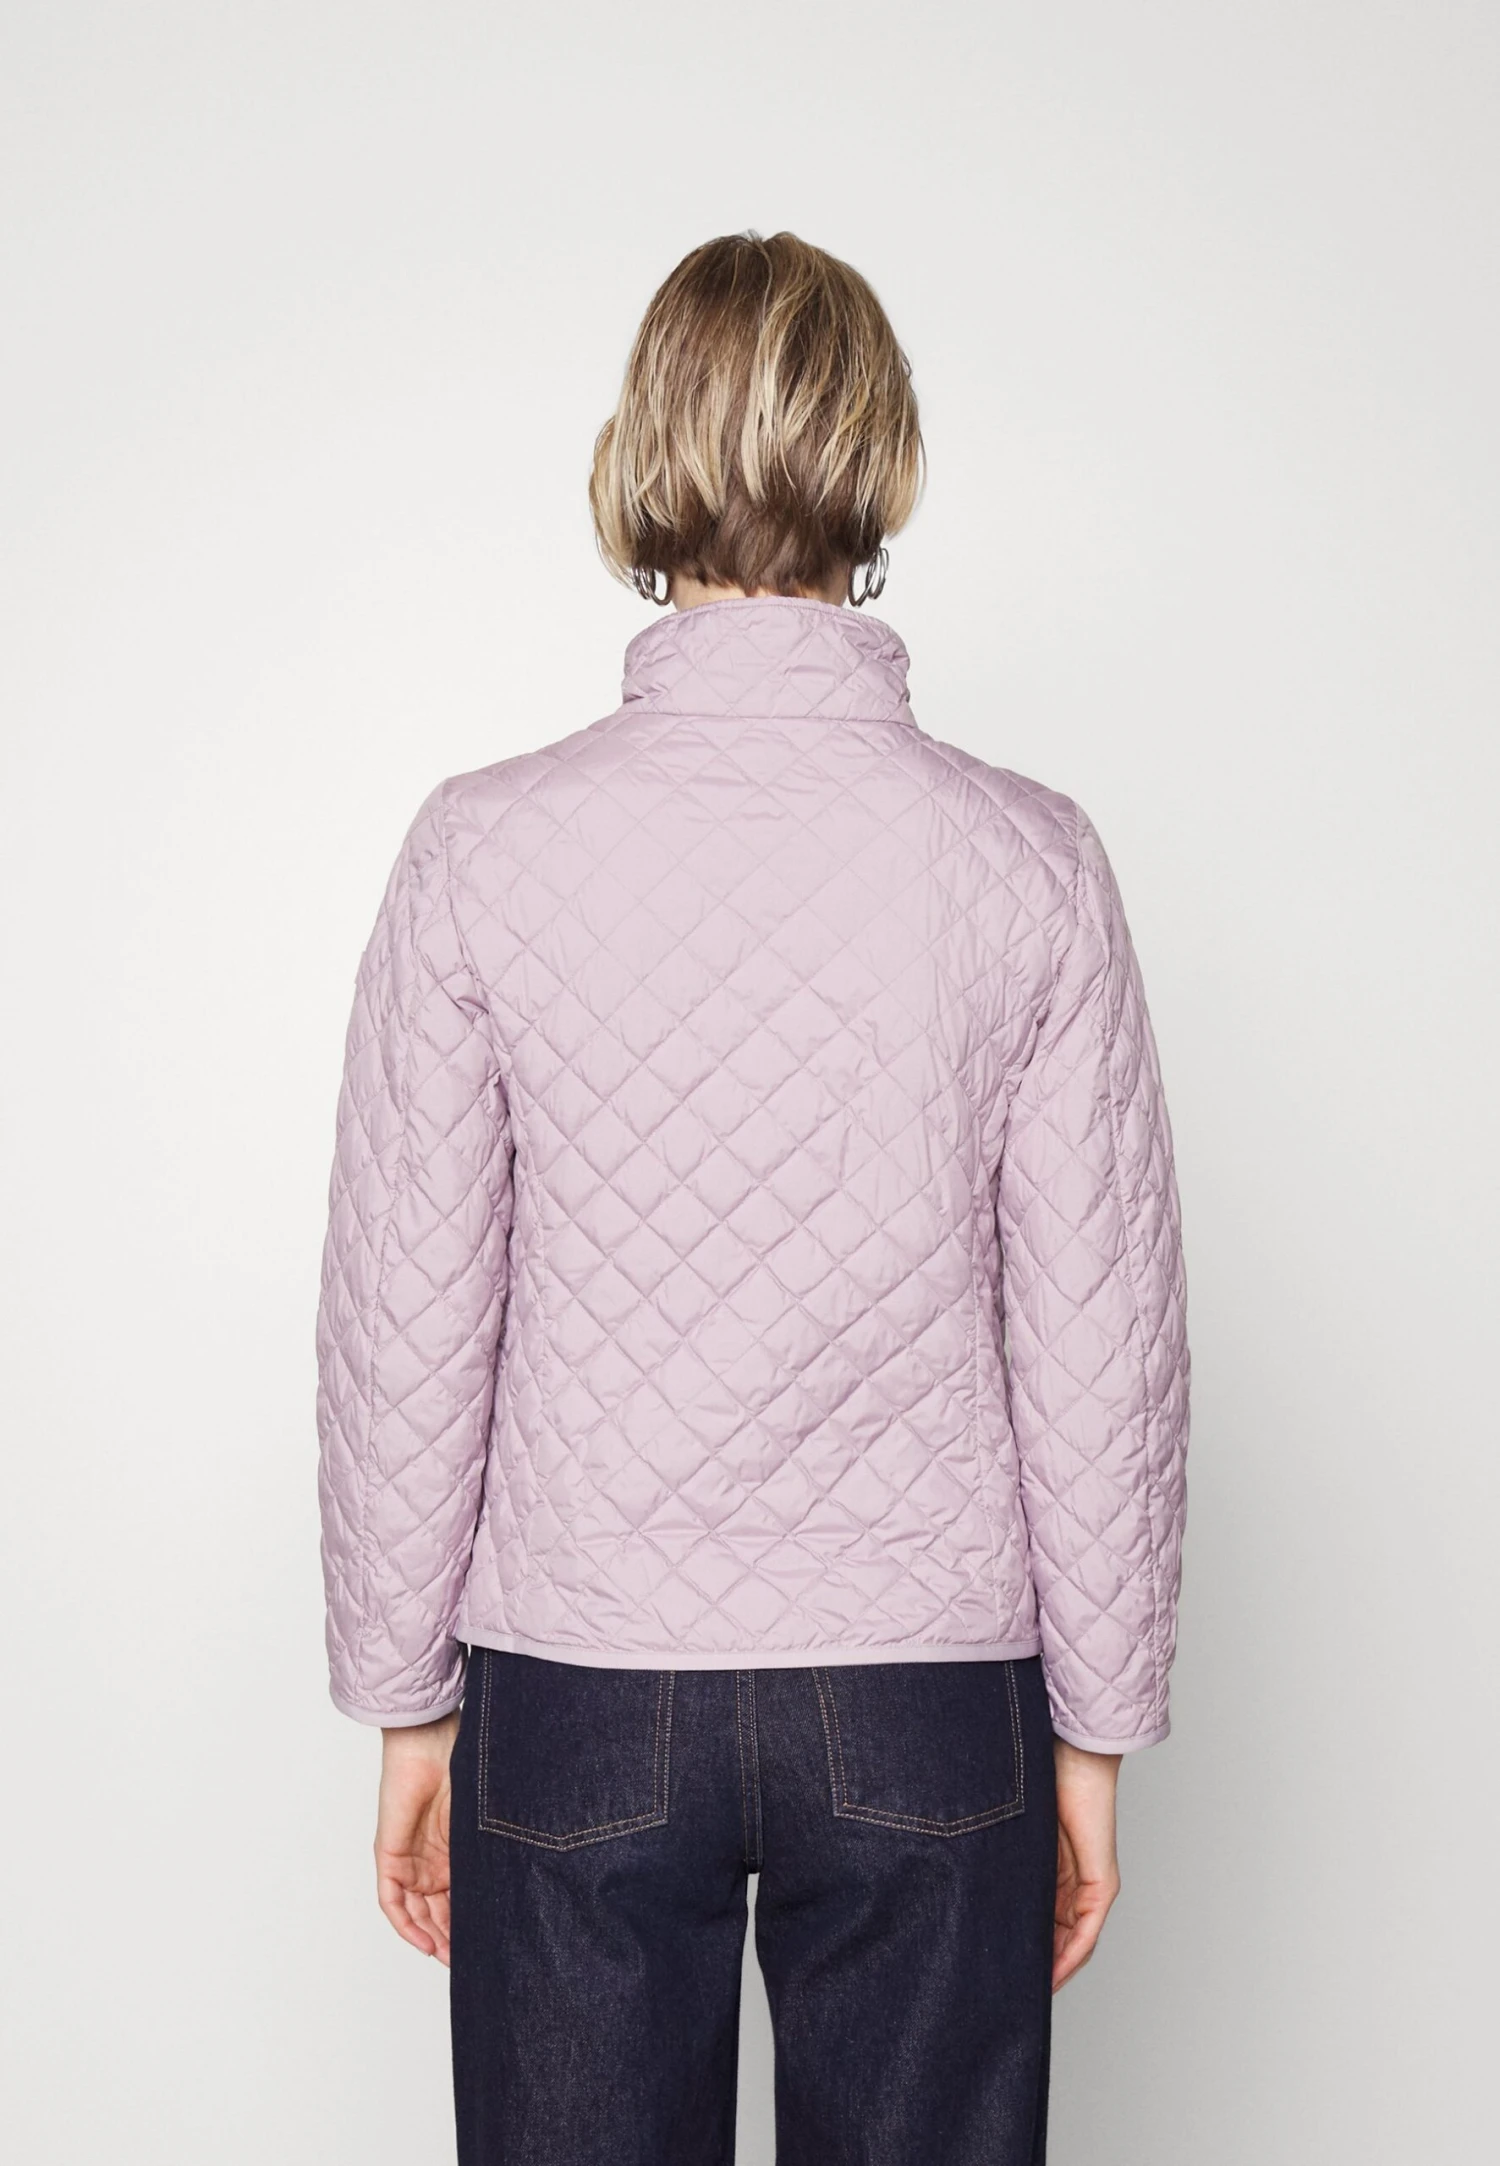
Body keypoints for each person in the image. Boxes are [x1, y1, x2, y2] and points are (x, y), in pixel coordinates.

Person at [315, 229, 1190, 2166]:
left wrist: (405, 1698)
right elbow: (1101, 1341)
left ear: (642, 456)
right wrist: (1096, 1731)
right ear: (879, 465)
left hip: (579, 1684)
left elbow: (407, 1317)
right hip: (928, 1695)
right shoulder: (1029, 859)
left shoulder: (483, 848)